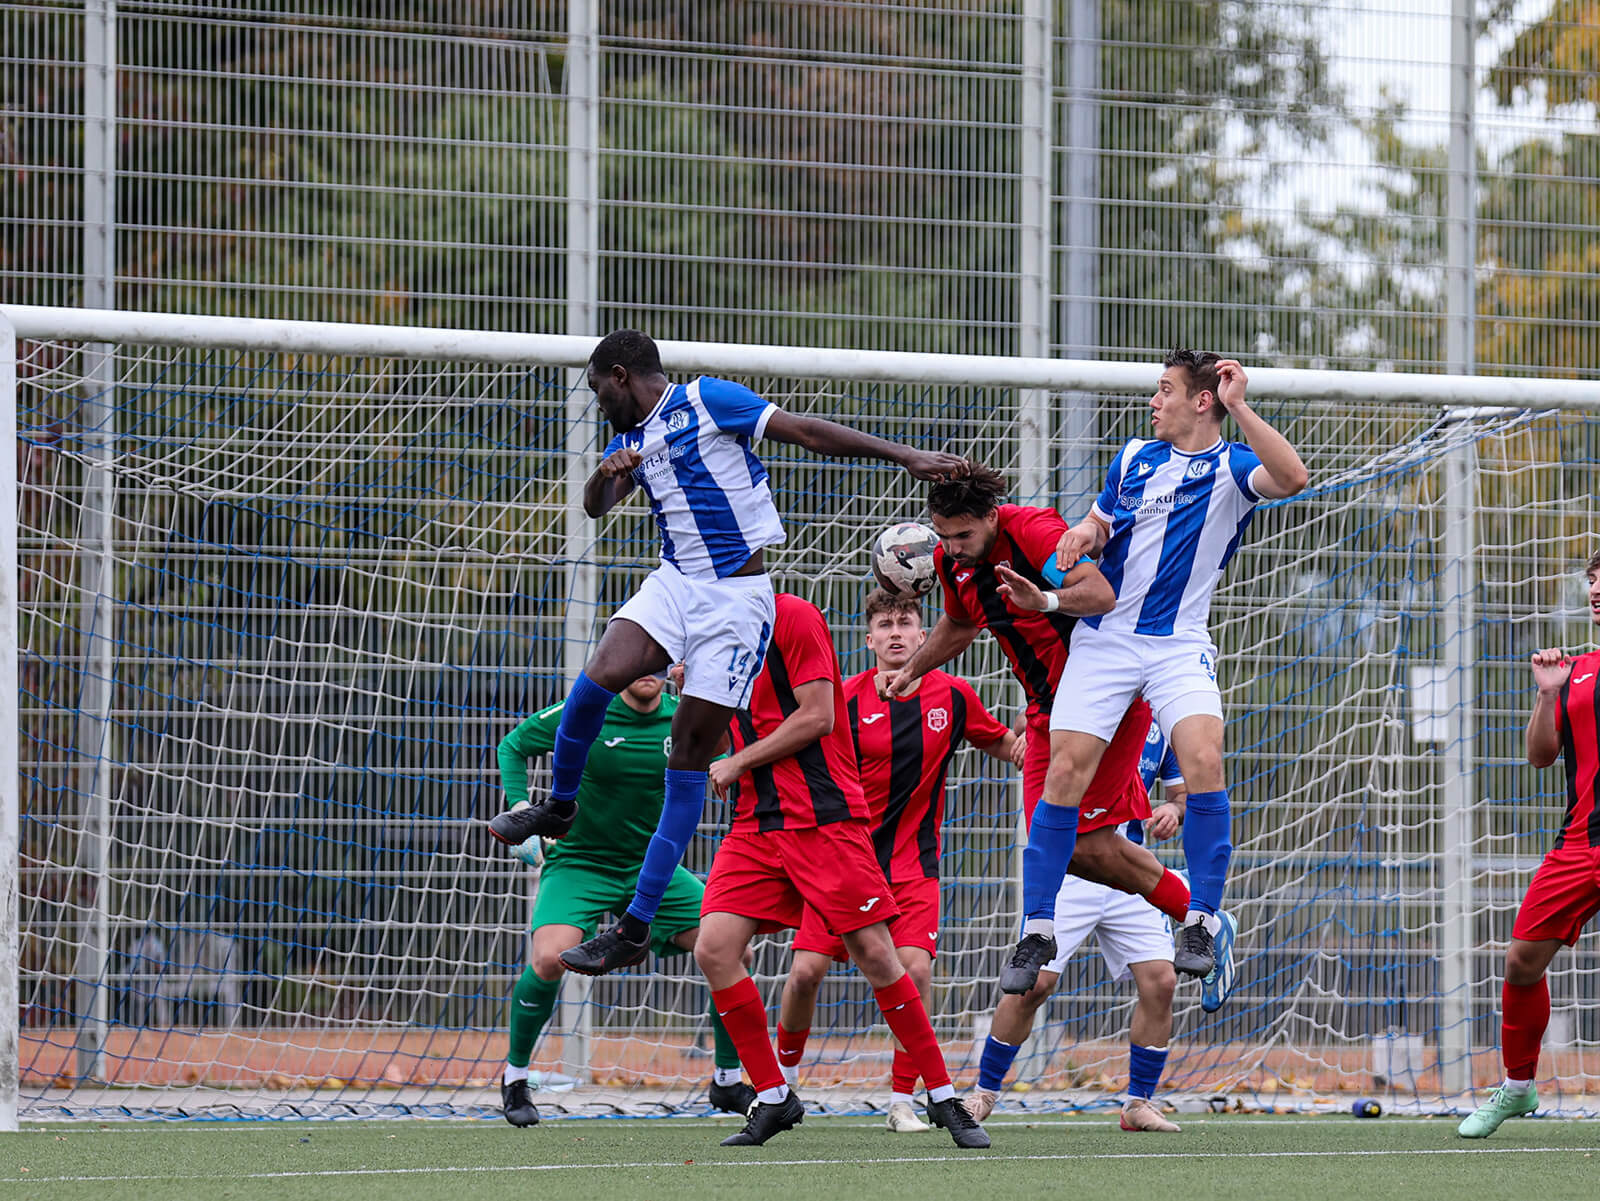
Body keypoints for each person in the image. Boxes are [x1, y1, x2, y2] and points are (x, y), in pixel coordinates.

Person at [488, 329, 967, 976]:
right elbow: (596, 507)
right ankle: (562, 803)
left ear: (622, 375)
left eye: (600, 389)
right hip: (674, 581)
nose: (598, 402)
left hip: (737, 602)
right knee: (597, 676)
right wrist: (605, 475)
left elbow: (805, 430)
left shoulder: (707, 399)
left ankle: (634, 925)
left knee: (688, 753)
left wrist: (905, 455)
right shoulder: (627, 441)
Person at [1004, 351, 1308, 994]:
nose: (1153, 400)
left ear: (1202, 401)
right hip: (1106, 640)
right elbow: (1099, 520)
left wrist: (1241, 406)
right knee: (1063, 773)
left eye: (1165, 390)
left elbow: (1294, 477)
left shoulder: (1232, 466)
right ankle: (1036, 929)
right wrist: (1081, 536)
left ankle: (1200, 919)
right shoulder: (1135, 456)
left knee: (1203, 760)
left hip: (1177, 644)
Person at [878, 466, 1198, 986]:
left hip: (1105, 707)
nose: (953, 547)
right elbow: (961, 622)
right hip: (1046, 714)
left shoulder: (1034, 532)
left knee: (1062, 838)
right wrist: (911, 670)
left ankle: (1040, 932)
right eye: (944, 536)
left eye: (964, 535)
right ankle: (1198, 911)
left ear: (990, 516)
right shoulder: (948, 561)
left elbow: (1098, 593)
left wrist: (1044, 600)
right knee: (1068, 846)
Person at [693, 591, 989, 1148]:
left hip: (823, 821)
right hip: (755, 823)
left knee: (881, 958)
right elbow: (718, 730)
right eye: (886, 622)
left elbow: (817, 716)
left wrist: (737, 761)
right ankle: (776, 1094)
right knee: (714, 948)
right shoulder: (708, 635)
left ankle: (941, 1096)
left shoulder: (794, 617)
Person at [773, 588, 1020, 1133]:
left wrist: (1056, 727)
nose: (895, 633)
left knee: (916, 971)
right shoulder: (840, 698)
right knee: (805, 974)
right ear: (868, 639)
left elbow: (1005, 743)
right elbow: (784, 735)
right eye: (884, 624)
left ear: (923, 633)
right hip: (841, 863)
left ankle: (902, 1101)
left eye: (906, 622)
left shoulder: (953, 696)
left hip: (913, 867)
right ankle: (781, 1087)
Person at [492, 673, 752, 1128]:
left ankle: (728, 1080)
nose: (647, 670)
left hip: (652, 870)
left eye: (659, 660)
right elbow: (513, 745)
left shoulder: (688, 716)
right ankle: (516, 1078)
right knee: (548, 959)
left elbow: (734, 755)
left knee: (732, 947)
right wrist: (520, 810)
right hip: (579, 864)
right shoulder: (587, 709)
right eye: (640, 659)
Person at [968, 727, 1187, 1131]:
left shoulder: (1157, 724)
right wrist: (1018, 732)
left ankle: (1138, 1102)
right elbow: (1032, 711)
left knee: (1161, 981)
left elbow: (1181, 793)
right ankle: (982, 1093)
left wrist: (1174, 809)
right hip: (1070, 869)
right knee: (1034, 985)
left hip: (1129, 872)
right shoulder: (1082, 702)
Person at [1459, 551, 1600, 1138]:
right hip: (1581, 845)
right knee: (1520, 961)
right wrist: (1547, 694)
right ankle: (1517, 1088)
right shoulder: (1578, 672)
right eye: (1592, 579)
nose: (1595, 588)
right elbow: (1540, 756)